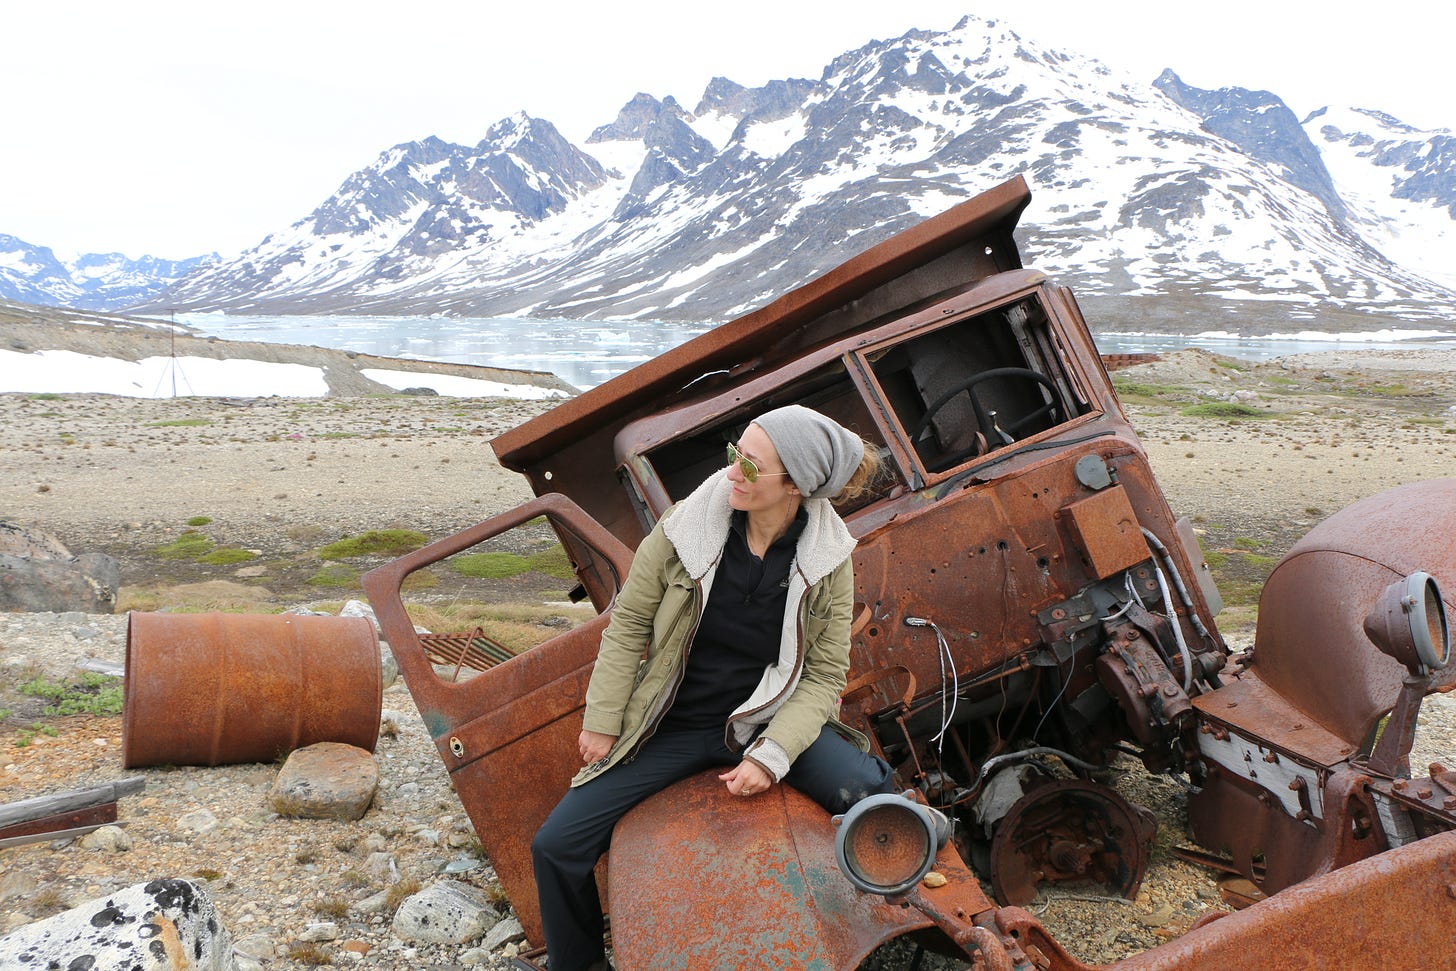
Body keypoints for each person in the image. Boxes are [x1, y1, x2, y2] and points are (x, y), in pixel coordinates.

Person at [530, 405, 897, 971]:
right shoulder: (686, 527)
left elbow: (825, 676)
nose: (732, 473)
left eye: (751, 466)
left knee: (874, 797)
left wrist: (773, 755)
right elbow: (629, 624)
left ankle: (886, 930)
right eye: (735, 454)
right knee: (555, 847)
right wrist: (602, 719)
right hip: (673, 724)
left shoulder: (829, 560)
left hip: (764, 719)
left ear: (795, 486)